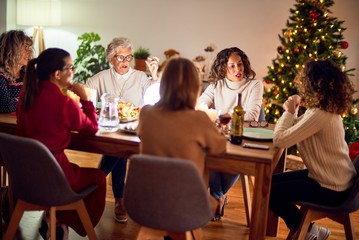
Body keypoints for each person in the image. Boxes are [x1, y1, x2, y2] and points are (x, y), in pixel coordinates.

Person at [17, 48, 107, 239]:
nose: (73, 72)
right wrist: (85, 99)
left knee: (77, 171)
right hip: (57, 178)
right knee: (98, 177)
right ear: (57, 74)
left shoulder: (25, 97)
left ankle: (56, 220)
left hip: (27, 178)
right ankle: (69, 223)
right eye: (71, 68)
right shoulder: (64, 103)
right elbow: (91, 128)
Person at [270, 59, 357, 240]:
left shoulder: (321, 114)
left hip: (332, 189)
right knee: (269, 184)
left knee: (269, 190)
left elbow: (280, 140)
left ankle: (309, 231)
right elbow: (294, 129)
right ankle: (309, 229)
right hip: (332, 179)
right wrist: (293, 112)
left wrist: (288, 111)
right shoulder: (323, 109)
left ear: (314, 84)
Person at [137, 58, 227, 227]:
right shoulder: (199, 119)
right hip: (187, 205)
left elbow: (141, 133)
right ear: (195, 87)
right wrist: (213, 122)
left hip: (145, 200)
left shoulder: (146, 113)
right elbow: (220, 147)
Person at [85, 37, 159, 223]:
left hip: (133, 128)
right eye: (120, 58)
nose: (125, 62)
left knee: (119, 151)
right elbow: (84, 91)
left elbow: (156, 99)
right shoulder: (101, 77)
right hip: (108, 129)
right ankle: (119, 199)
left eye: (128, 58)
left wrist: (155, 76)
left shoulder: (141, 77)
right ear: (111, 59)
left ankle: (96, 184)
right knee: (119, 152)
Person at [198, 47, 263, 220]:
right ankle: (218, 198)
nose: (238, 70)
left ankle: (215, 197)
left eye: (240, 65)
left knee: (228, 158)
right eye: (232, 66)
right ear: (223, 68)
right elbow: (200, 106)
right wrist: (221, 117)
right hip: (220, 135)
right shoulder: (216, 85)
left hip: (243, 137)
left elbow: (251, 116)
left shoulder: (254, 85)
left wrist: (218, 115)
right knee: (206, 152)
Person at [0, 30, 33, 113]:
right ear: (12, 50)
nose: (29, 52)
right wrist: (30, 99)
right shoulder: (1, 77)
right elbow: (5, 106)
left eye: (28, 48)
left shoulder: (27, 74)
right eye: (25, 48)